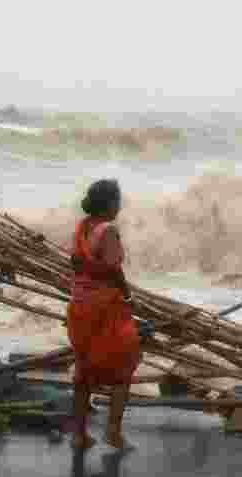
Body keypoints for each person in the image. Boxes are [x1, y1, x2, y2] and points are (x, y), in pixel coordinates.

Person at [67, 179, 141, 450]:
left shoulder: (82, 227)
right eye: (117, 201)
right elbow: (113, 269)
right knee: (123, 366)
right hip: (105, 307)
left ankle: (78, 435)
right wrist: (129, 296)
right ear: (110, 204)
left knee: (84, 369)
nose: (119, 207)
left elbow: (76, 263)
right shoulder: (108, 230)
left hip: (80, 305)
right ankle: (113, 433)